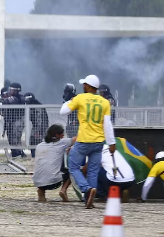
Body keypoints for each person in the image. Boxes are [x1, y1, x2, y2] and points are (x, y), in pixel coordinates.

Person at [60, 75, 116, 209]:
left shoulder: (80, 98)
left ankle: (86, 189)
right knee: (93, 171)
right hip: (98, 142)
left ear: (89, 86)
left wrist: (71, 101)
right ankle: (89, 199)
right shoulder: (104, 102)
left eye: (84, 84)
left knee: (73, 166)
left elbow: (63, 112)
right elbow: (107, 125)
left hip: (84, 140)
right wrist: (111, 143)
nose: (83, 86)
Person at [33, 124, 76, 202]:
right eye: (62, 134)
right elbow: (77, 139)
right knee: (73, 170)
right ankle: (63, 190)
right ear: (57, 135)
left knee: (45, 166)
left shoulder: (39, 145)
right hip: (53, 182)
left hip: (37, 181)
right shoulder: (62, 142)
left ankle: (41, 192)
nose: (63, 135)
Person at [0, 83, 25, 157]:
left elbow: (5, 100)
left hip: (17, 122)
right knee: (11, 139)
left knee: (15, 140)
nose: (10, 91)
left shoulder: (17, 98)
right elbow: (2, 112)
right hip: (10, 122)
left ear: (17, 91)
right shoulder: (12, 98)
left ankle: (19, 154)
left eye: (12, 90)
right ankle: (15, 154)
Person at [25, 92, 49, 158]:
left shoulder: (36, 106)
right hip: (39, 128)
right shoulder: (35, 105)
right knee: (34, 144)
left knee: (35, 144)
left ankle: (35, 158)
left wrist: (39, 132)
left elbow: (40, 120)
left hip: (39, 129)